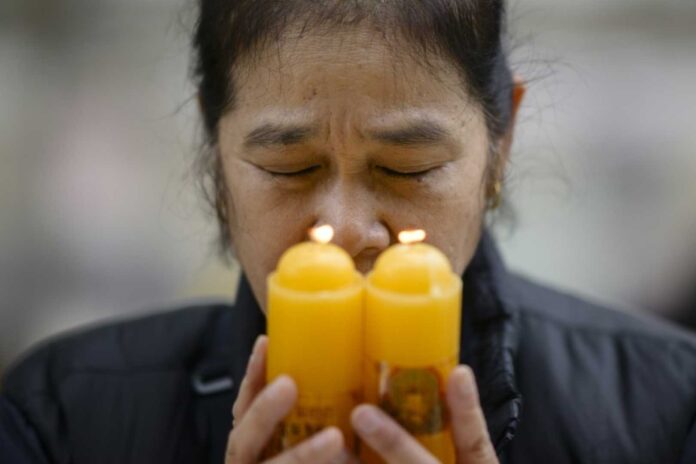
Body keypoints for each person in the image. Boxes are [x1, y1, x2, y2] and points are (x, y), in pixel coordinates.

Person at [2, 1, 696, 463]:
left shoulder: (667, 409)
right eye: (289, 166)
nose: (344, 229)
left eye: (407, 167)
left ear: (501, 142)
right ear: (215, 154)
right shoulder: (60, 416)